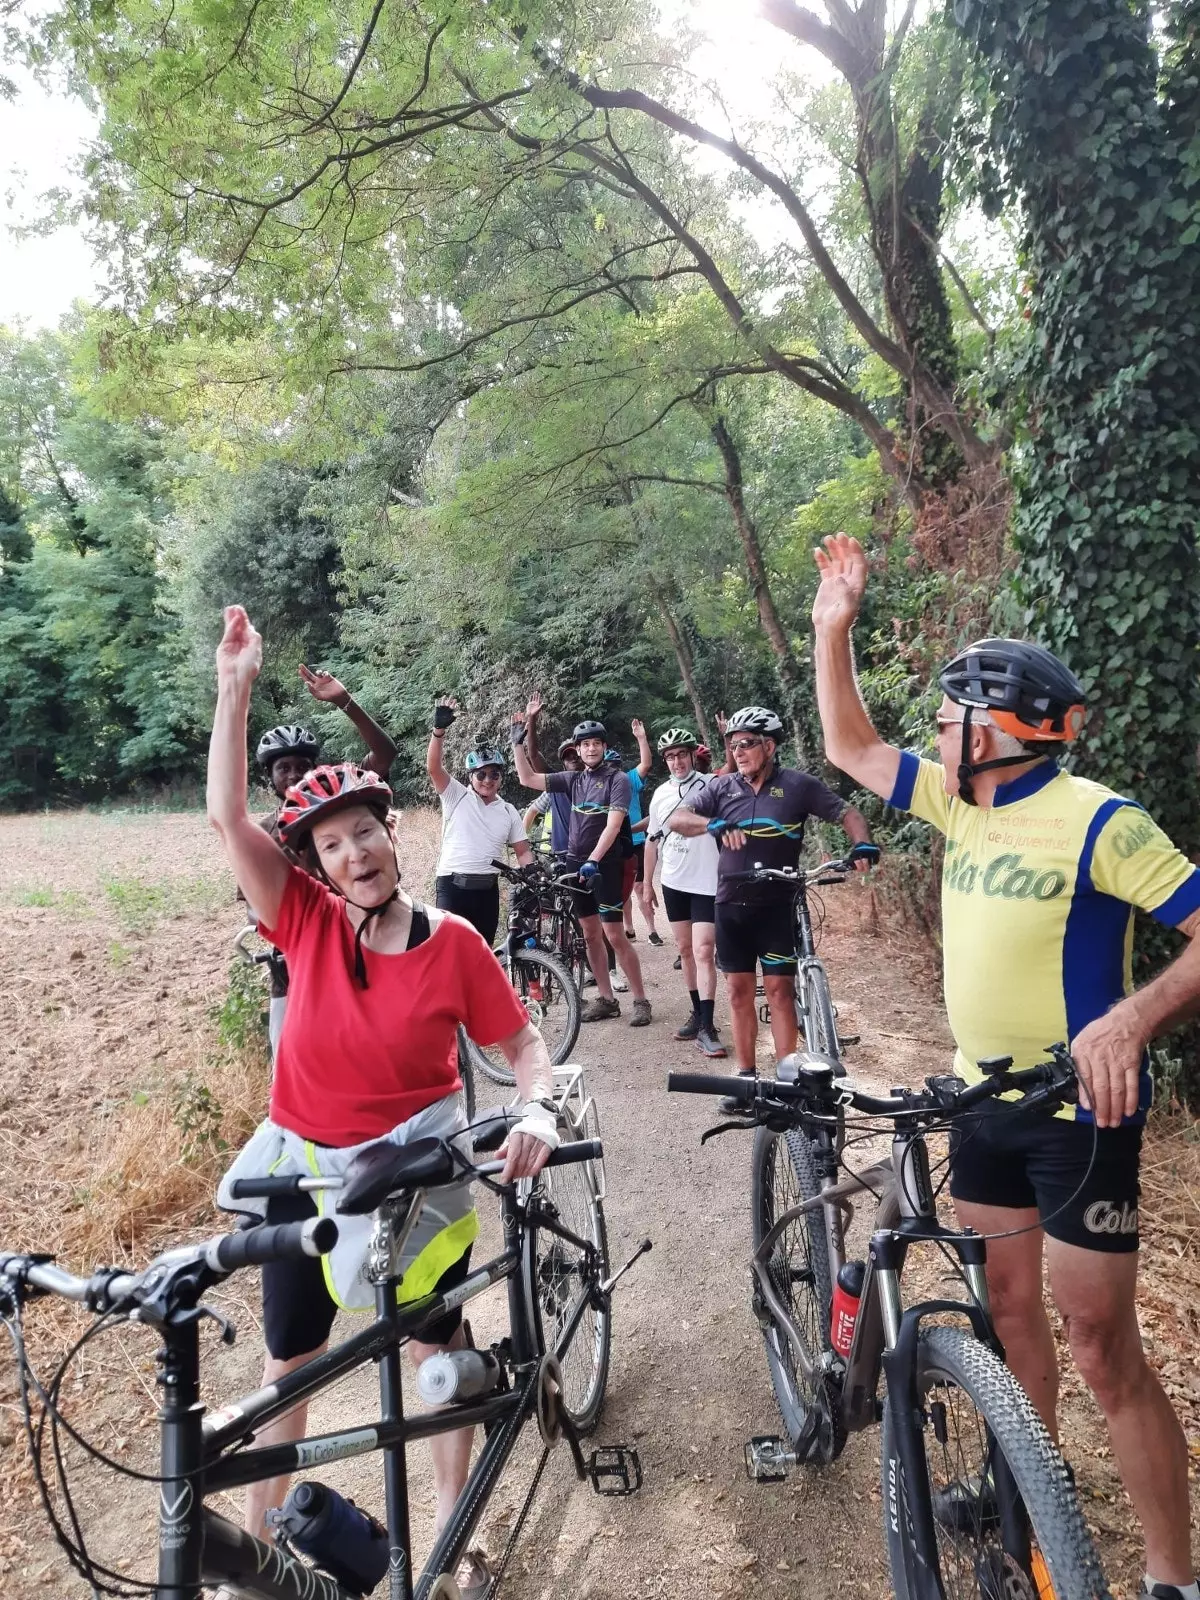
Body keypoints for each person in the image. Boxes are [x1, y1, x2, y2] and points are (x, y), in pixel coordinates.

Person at [811, 532, 1200, 1600]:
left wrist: (1131, 1020)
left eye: (949, 713)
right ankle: (1030, 1480)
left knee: (1101, 1343)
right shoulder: (955, 800)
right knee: (1009, 1316)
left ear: (997, 726)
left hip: (1080, 1117)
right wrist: (829, 626)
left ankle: (1172, 1578)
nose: (936, 729)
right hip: (981, 1101)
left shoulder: (1101, 820)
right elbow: (848, 745)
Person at [207, 607, 556, 1599]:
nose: (354, 851)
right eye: (332, 843)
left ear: (392, 831)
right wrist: (236, 688)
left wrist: (535, 1112)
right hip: (304, 1170)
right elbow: (230, 820)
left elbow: (524, 1047)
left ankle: (454, 1541)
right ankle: (259, 1561)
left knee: (433, 1358)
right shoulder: (304, 921)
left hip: (414, 1170)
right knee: (290, 1368)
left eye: (366, 830)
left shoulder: (452, 944)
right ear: (313, 866)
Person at [668, 704, 872, 1079]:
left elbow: (848, 813)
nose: (738, 752)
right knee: (738, 992)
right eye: (733, 746)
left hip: (779, 904)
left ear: (769, 746)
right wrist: (711, 824)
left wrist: (861, 843)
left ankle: (786, 1077)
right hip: (730, 904)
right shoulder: (721, 787)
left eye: (746, 744)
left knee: (779, 992)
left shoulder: (798, 785)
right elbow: (677, 820)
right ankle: (746, 1075)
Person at [249, 668, 397, 1057]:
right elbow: (255, 904)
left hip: (359, 943)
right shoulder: (263, 834)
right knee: (287, 1063)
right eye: (284, 768)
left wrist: (344, 702)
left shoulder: (338, 811)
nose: (295, 774)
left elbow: (384, 756)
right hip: (296, 964)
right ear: (270, 778)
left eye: (303, 765)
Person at [511, 711, 651, 1026]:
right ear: (578, 749)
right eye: (584, 745)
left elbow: (613, 826)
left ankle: (641, 1000)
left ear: (603, 746)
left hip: (605, 864)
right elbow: (528, 779)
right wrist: (517, 745)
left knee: (614, 934)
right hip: (575, 862)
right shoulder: (574, 779)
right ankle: (607, 999)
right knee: (589, 934)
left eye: (595, 744)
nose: (590, 749)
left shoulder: (616, 780)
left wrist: (594, 859)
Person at [426, 696, 534, 945]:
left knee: (481, 950)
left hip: (487, 889)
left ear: (501, 777)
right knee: (450, 950)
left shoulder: (507, 810)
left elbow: (523, 850)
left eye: (494, 774)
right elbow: (434, 768)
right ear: (471, 776)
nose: (488, 779)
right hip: (453, 887)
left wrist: (533, 875)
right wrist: (438, 732)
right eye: (481, 774)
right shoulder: (456, 795)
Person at [644, 728, 725, 1057]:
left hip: (707, 881)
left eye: (682, 755)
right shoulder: (660, 794)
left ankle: (708, 1026)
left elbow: (730, 774)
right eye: (671, 756)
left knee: (705, 950)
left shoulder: (710, 786)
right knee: (686, 950)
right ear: (665, 761)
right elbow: (652, 840)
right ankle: (697, 1013)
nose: (677, 761)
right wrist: (646, 882)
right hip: (674, 880)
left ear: (693, 755)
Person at [619, 719, 662, 945]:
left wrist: (641, 738)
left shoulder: (628, 780)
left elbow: (645, 764)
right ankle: (628, 928)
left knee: (640, 886)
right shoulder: (599, 786)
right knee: (622, 890)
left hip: (636, 840)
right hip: (615, 843)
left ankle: (652, 929)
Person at [522, 733, 581, 857]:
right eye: (568, 757)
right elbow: (533, 810)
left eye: (576, 755)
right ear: (563, 764)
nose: (573, 759)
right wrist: (521, 839)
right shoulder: (554, 788)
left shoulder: (596, 786)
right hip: (553, 853)